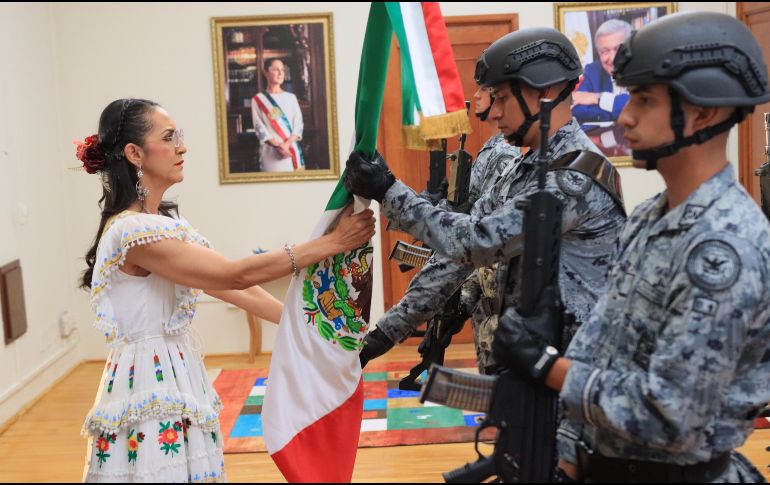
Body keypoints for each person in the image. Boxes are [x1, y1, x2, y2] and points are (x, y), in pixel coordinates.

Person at [493, 12, 770, 482]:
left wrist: (547, 368)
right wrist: (563, 454)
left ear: (703, 113)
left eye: (644, 100)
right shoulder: (650, 216)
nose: (625, 117)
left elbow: (669, 416)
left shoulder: (724, 247)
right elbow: (601, 346)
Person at [76, 98, 374, 482]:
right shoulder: (132, 232)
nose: (182, 146)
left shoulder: (163, 223)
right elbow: (234, 276)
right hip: (148, 384)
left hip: (173, 371)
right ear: (135, 153)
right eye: (169, 138)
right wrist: (331, 244)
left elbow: (234, 291)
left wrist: (307, 327)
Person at [346, 27, 626, 376]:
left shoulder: (574, 178)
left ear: (546, 91)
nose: (493, 113)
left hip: (569, 378)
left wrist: (388, 190)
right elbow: (458, 252)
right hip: (522, 366)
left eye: (502, 97)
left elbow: (479, 241)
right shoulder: (524, 167)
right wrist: (386, 333)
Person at [358, 81, 521, 371]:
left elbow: (473, 243)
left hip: (518, 335)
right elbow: (472, 233)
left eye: (487, 89)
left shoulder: (511, 158)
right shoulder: (496, 147)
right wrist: (464, 301)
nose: (476, 95)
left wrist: (388, 330)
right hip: (492, 324)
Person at [572, 19, 633, 123]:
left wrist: (598, 98)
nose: (613, 58)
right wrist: (619, 109)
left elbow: (644, 106)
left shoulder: (647, 70)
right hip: (605, 137)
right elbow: (577, 110)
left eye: (618, 49)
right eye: (605, 51)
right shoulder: (592, 71)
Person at [251, 58, 305, 172]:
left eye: (282, 70)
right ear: (266, 72)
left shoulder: (291, 98)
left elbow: (298, 124)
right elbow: (259, 127)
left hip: (290, 150)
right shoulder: (258, 99)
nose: (280, 73)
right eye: (276, 69)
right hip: (271, 153)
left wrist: (287, 144)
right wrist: (277, 146)